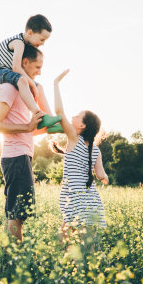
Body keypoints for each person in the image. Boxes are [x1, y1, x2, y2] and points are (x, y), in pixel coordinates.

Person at [0, 44, 47, 242]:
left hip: (22, 156)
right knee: (17, 214)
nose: (40, 72)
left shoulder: (27, 91)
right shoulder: (7, 87)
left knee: (19, 215)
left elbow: (34, 128)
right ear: (24, 63)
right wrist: (27, 127)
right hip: (15, 157)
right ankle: (13, 262)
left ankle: (13, 259)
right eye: (37, 67)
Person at [51, 69, 109, 239]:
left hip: (74, 198)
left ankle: (66, 264)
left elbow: (59, 111)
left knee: (63, 240)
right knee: (89, 246)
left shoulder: (73, 139)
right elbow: (101, 175)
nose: (72, 116)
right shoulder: (95, 150)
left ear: (82, 126)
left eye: (77, 116)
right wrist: (106, 178)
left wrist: (55, 84)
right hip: (90, 199)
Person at [0, 14, 62, 132]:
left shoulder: (25, 44)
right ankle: (38, 114)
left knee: (39, 87)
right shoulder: (19, 43)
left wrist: (34, 84)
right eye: (42, 39)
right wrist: (31, 83)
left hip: (7, 71)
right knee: (22, 80)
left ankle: (51, 123)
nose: (43, 44)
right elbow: (16, 68)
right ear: (30, 33)